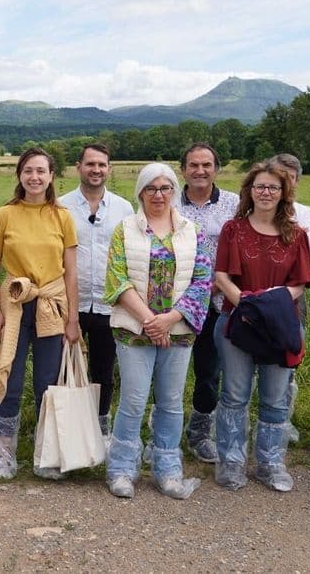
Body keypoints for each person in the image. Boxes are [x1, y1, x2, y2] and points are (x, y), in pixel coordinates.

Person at [103, 163, 211, 499]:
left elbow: (202, 281)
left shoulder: (193, 231)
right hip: (134, 330)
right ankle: (121, 469)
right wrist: (151, 320)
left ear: (174, 192)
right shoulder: (124, 230)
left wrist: (169, 320)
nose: (159, 195)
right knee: (133, 402)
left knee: (170, 402)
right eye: (151, 188)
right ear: (140, 192)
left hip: (177, 332)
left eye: (165, 188)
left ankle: (168, 469)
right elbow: (116, 280)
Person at [214, 162, 310, 492]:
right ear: (249, 191)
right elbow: (221, 276)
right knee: (234, 394)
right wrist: (246, 304)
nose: (266, 192)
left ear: (284, 192)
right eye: (260, 187)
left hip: (279, 325)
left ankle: (271, 462)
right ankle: (232, 461)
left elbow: (300, 282)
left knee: (275, 398)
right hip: (237, 322)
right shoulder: (233, 229)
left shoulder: (296, 234)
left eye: (273, 187)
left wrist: (270, 304)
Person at [0, 147, 79, 481]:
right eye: (28, 171)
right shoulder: (5, 214)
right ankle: (3, 455)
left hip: (52, 304)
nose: (34, 177)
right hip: (15, 304)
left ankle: (46, 455)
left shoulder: (63, 216)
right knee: (9, 379)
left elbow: (71, 273)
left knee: (47, 384)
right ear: (19, 175)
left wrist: (73, 319)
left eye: (41, 171)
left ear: (51, 176)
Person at [58, 144, 134, 447]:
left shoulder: (123, 208)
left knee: (104, 370)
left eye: (102, 165)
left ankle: (100, 432)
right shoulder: (61, 206)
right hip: (68, 303)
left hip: (108, 302)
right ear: (79, 167)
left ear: (109, 169)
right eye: (90, 164)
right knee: (64, 368)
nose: (96, 170)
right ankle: (66, 433)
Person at [176, 142, 240, 463]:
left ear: (216, 168)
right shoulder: (167, 200)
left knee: (208, 371)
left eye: (207, 165)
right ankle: (165, 433)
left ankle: (200, 434)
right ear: (183, 169)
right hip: (174, 302)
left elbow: (241, 247)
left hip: (216, 301)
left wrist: (220, 282)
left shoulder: (233, 203)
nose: (200, 171)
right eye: (193, 165)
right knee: (167, 372)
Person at [268, 153, 310, 445]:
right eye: (277, 179)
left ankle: (282, 421)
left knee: (287, 362)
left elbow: (299, 257)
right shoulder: (250, 212)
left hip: (291, 299)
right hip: (252, 296)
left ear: (296, 181)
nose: (282, 186)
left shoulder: (305, 213)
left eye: (288, 179)